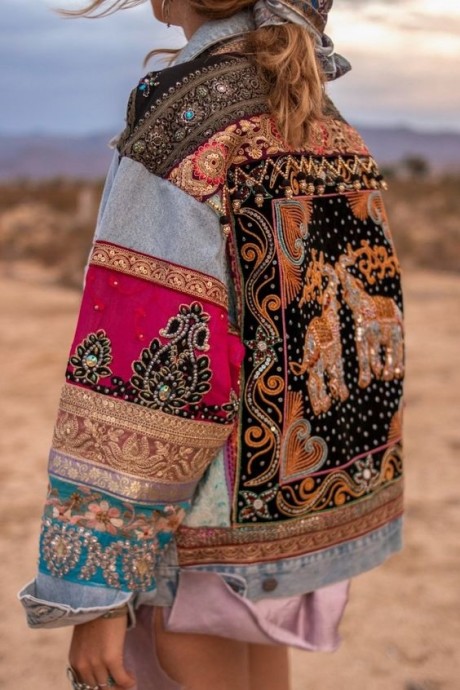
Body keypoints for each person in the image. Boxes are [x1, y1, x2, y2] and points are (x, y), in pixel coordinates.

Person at [18, 1, 405, 689]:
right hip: (283, 508)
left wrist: (95, 588)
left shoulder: (185, 120)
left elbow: (151, 365)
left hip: (199, 525)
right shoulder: (320, 114)